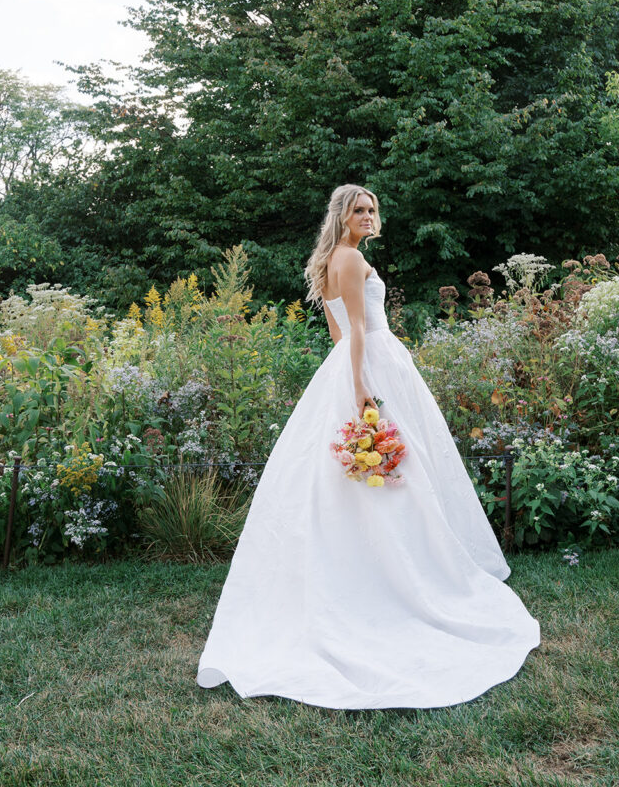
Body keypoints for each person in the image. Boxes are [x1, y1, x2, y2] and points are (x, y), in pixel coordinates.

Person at [196, 183, 541, 708]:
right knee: (397, 467)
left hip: (350, 364)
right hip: (369, 363)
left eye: (372, 209)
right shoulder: (352, 259)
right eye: (359, 209)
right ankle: (401, 576)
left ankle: (376, 566)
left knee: (370, 471)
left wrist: (348, 374)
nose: (368, 216)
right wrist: (361, 387)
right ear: (342, 215)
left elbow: (337, 336)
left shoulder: (329, 262)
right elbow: (356, 328)